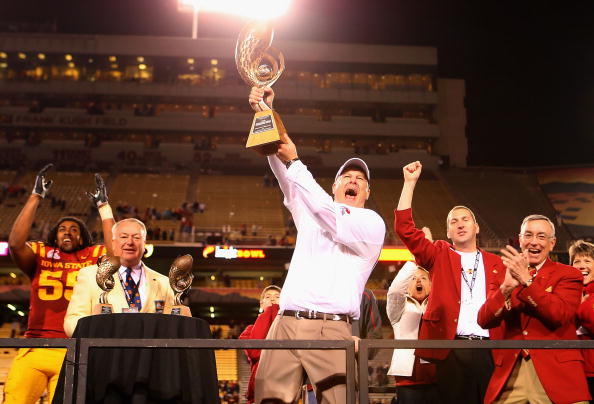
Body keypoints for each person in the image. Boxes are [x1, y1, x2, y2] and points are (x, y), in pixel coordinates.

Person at [249, 86, 385, 404]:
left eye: (360, 179)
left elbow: (328, 212)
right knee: (267, 400)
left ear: (366, 192)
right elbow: (283, 170)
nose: (353, 180)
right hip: (285, 322)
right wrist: (266, 114)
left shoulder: (371, 224)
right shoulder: (311, 208)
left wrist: (297, 161)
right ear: (334, 185)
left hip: (331, 328)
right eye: (346, 177)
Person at [394, 161, 504, 404]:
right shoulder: (439, 254)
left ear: (476, 228)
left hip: (491, 350)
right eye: (454, 221)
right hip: (452, 349)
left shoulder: (497, 263)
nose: (460, 223)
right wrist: (409, 184)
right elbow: (404, 228)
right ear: (448, 232)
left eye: (465, 219)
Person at [4, 165, 115, 404]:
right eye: (63, 229)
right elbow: (14, 243)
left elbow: (116, 254)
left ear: (83, 237)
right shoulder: (42, 253)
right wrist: (35, 196)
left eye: (74, 230)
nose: (68, 233)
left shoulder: (92, 255)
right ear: (54, 236)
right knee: (14, 399)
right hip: (34, 345)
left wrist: (104, 207)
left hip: (73, 348)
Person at [478, 215, 590, 404]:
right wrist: (505, 289)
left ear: (552, 243)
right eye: (528, 235)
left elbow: (558, 314)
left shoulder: (569, 274)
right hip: (511, 372)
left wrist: (527, 281)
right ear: (520, 240)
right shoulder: (501, 275)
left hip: (557, 373)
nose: (534, 242)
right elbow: (484, 320)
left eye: (541, 236)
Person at [64, 218, 174, 337]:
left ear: (144, 244)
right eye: (124, 237)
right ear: (113, 242)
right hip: (105, 352)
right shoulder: (89, 275)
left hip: (149, 353)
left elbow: (172, 325)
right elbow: (71, 321)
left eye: (136, 237)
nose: (130, 242)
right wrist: (94, 329)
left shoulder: (164, 282)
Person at [387, 258, 438, 404]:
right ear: (407, 285)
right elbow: (396, 290)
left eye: (423, 278)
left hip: (438, 378)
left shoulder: (437, 306)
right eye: (413, 278)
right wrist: (416, 258)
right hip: (407, 381)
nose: (418, 281)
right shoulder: (398, 310)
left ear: (431, 283)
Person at [239, 285, 282, 404]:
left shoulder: (290, 328)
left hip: (284, 384)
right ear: (261, 304)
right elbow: (255, 353)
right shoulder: (248, 331)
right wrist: (270, 311)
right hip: (260, 389)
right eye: (268, 297)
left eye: (277, 297)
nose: (272, 299)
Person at [572, 240, 594, 403]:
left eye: (587, 260)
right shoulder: (563, 291)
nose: (581, 265)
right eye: (576, 261)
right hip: (571, 370)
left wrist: (580, 307)